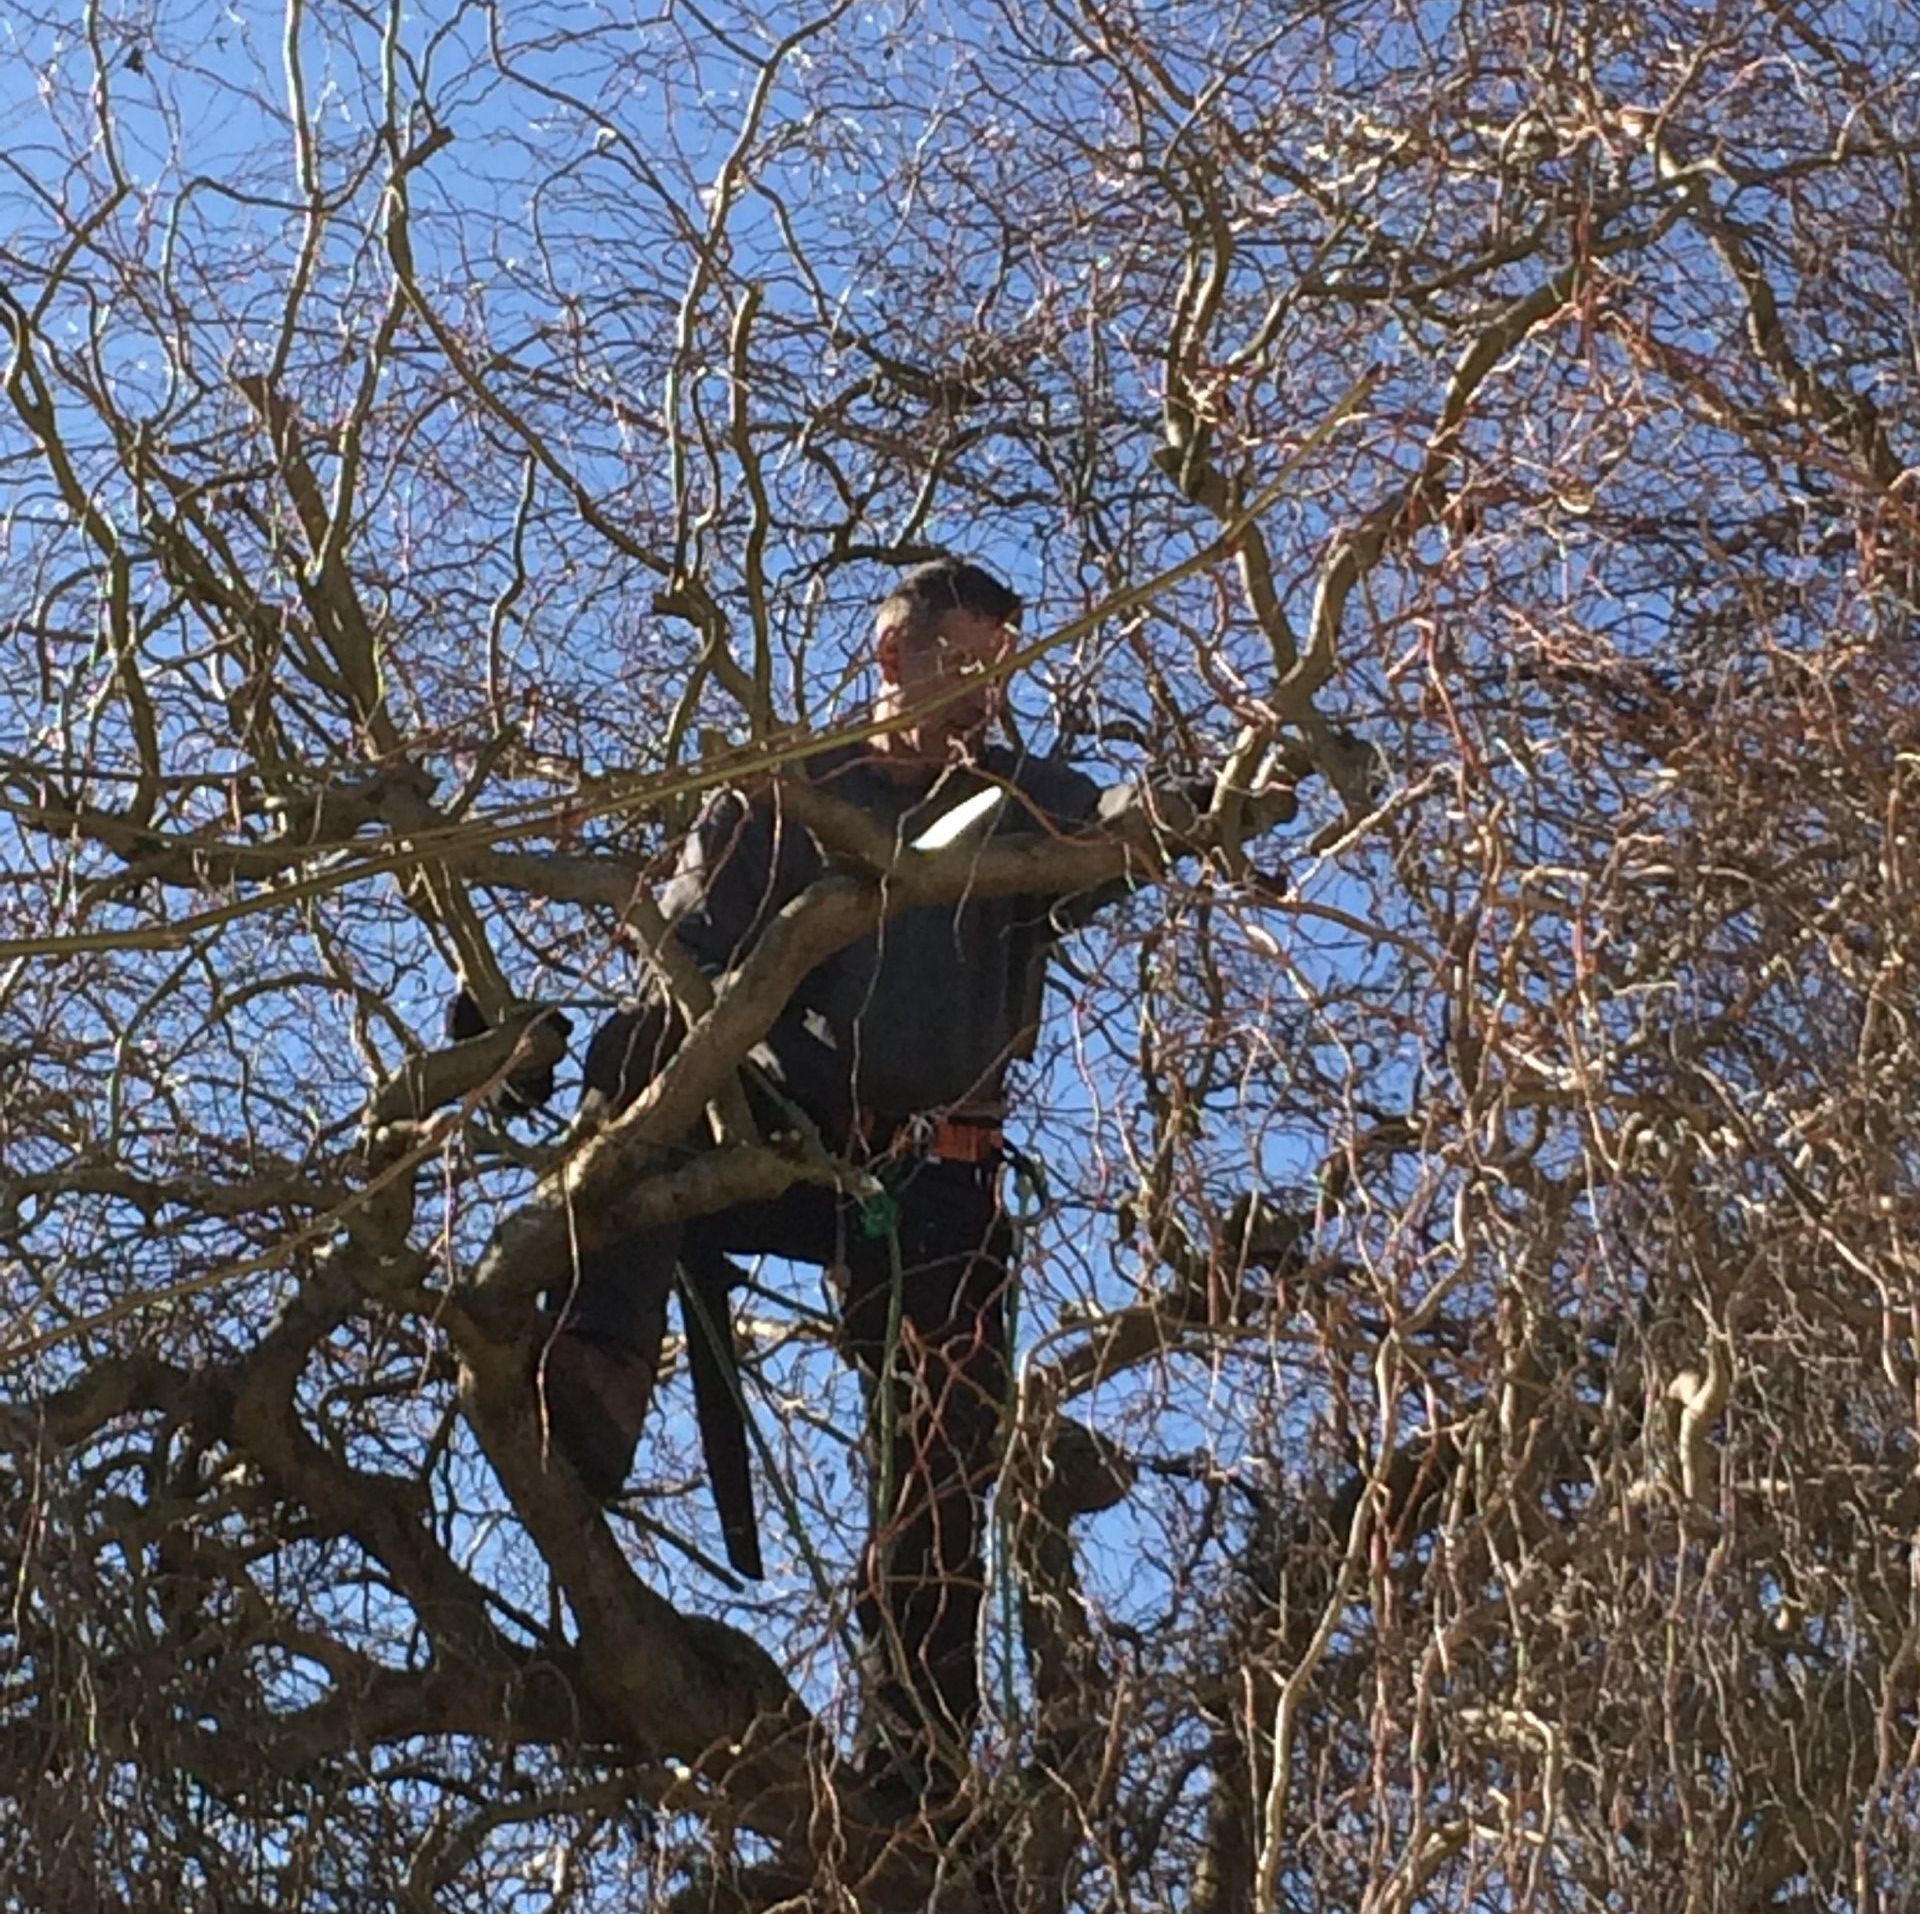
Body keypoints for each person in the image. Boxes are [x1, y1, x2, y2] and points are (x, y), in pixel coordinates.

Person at [516, 559, 1191, 1787]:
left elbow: (1117, 839)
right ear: (896, 654)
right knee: (638, 1050)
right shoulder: (781, 797)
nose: (992, 694)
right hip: (777, 1146)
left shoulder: (1024, 796)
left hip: (936, 1177)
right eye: (970, 663)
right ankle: (599, 1366)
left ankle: (916, 1753)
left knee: (939, 1453)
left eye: (1007, 672)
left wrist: (1196, 800)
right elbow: (680, 962)